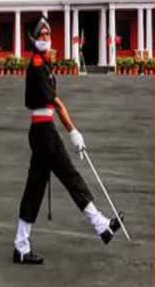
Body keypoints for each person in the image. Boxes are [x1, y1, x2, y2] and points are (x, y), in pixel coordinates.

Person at [13, 16, 122, 264]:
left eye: (48, 35)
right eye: (42, 36)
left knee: (35, 188)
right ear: (33, 39)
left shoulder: (43, 64)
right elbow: (57, 104)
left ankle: (21, 244)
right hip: (43, 132)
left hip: (43, 131)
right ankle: (100, 225)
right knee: (70, 176)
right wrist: (73, 131)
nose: (47, 39)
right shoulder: (38, 67)